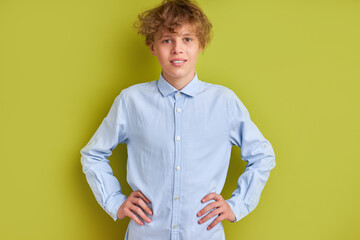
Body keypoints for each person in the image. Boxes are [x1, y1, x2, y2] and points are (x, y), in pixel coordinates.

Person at [80, 0, 276, 239]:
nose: (177, 49)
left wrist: (237, 205)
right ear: (152, 46)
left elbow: (262, 155)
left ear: (200, 44)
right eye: (166, 40)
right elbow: (93, 154)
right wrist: (114, 200)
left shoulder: (224, 102)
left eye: (187, 39)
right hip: (147, 233)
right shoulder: (131, 101)